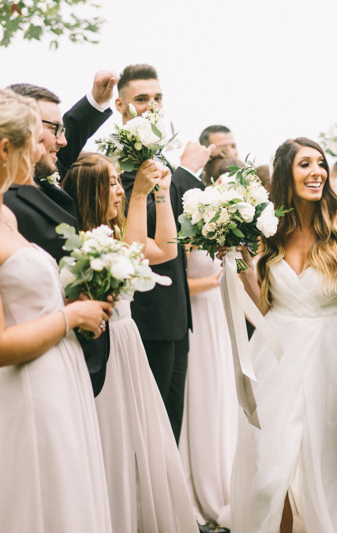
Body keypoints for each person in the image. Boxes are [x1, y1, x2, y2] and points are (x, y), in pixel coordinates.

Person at [0, 87, 114, 533]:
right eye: (36, 142)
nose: (48, 149)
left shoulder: (4, 214)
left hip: (60, 380)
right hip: (27, 393)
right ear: (5, 148)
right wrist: (70, 318)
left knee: (72, 509)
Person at [225, 137, 337, 533]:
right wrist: (243, 267)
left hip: (330, 358)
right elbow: (263, 309)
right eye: (304, 164)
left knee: (329, 469)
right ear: (286, 175)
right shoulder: (266, 232)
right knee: (268, 473)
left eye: (320, 164)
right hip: (274, 357)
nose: (316, 172)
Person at [63, 152, 198, 533]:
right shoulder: (86, 242)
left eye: (119, 183)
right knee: (114, 439)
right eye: (110, 184)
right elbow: (135, 257)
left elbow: (167, 250)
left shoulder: (116, 232)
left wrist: (160, 195)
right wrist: (139, 196)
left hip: (129, 343)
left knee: (140, 439)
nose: (119, 191)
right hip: (104, 349)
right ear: (90, 192)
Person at [0, 76, 115, 409]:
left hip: (71, 364)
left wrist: (94, 103)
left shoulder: (41, 183)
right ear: (22, 129)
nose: (63, 141)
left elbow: (59, 145)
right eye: (53, 130)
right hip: (31, 372)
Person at [114, 63, 214, 441]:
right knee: (149, 431)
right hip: (144, 318)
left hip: (176, 316)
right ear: (121, 107)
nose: (152, 105)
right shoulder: (116, 168)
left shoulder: (162, 164)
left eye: (157, 98)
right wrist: (186, 173)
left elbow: (179, 241)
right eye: (142, 99)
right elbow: (144, 241)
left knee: (172, 428)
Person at [179, 156, 243, 530]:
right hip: (197, 319)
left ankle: (229, 478)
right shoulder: (195, 222)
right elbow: (178, 283)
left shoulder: (229, 225)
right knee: (204, 396)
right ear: (211, 183)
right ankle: (204, 486)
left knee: (224, 395)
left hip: (221, 317)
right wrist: (215, 280)